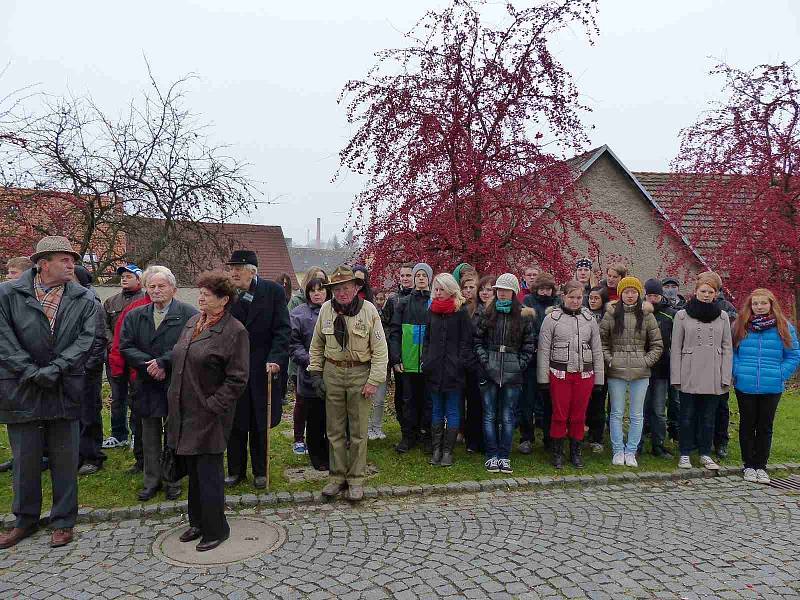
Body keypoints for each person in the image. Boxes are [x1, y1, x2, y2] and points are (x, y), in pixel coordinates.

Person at [0, 236, 97, 549]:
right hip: (21, 386)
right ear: (42, 263)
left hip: (64, 385)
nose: (71, 265)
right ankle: (24, 520)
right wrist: (29, 370)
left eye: (73, 260)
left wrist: (55, 369)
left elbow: (86, 340)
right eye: (64, 260)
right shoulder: (8, 293)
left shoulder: (83, 298)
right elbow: (3, 338)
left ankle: (63, 521)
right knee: (25, 459)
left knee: (64, 458)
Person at [167, 272, 249, 552]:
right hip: (184, 409)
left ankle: (217, 529)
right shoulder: (193, 322)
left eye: (207, 294)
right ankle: (198, 522)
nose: (200, 297)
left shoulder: (234, 330)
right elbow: (180, 356)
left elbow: (238, 378)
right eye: (200, 292)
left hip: (211, 413)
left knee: (209, 472)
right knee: (193, 469)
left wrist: (213, 405)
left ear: (224, 300)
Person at [308, 266, 388, 501]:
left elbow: (381, 351)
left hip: (359, 374)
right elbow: (316, 345)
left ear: (356, 288)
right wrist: (315, 374)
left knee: (358, 431)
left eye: (346, 287)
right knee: (334, 430)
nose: (342, 293)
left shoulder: (368, 311)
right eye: (337, 289)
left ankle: (355, 480)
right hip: (332, 372)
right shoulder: (326, 310)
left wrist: (374, 381)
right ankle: (336, 477)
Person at [121, 265, 197, 501]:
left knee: (174, 433)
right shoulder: (135, 315)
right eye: (151, 286)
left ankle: (173, 478)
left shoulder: (189, 314)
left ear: (173, 288)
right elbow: (125, 346)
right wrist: (150, 365)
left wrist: (164, 363)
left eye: (161, 286)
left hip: (176, 381)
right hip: (146, 383)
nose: (156, 291)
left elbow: (191, 345)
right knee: (149, 434)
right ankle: (151, 480)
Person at [225, 250, 290, 489]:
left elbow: (283, 330)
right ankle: (235, 470)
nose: (233, 273)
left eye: (238, 269)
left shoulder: (273, 292)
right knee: (235, 420)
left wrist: (276, 359)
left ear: (252, 271)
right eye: (231, 268)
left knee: (259, 421)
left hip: (263, 366)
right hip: (234, 366)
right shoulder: (227, 293)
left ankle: (260, 471)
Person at [732, 288, 800, 484]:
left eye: (763, 303)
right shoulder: (741, 325)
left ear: (771, 304)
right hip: (746, 384)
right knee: (747, 425)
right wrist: (737, 371)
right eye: (755, 303)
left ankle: (761, 466)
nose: (759, 307)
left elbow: (793, 354)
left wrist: (780, 374)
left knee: (765, 427)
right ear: (750, 305)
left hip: (772, 386)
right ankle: (748, 465)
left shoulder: (783, 326)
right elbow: (732, 352)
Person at [474, 273, 536, 475]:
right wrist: (485, 361)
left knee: (508, 416)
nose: (501, 293)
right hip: (489, 370)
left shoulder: (524, 316)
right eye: (499, 290)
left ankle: (504, 456)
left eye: (506, 290)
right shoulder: (487, 312)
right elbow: (477, 341)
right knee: (490, 414)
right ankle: (492, 455)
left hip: (513, 372)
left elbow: (529, 346)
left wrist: (518, 365)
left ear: (513, 293)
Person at [538, 280, 604, 468]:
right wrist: (543, 379)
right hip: (559, 373)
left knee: (578, 415)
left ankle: (576, 451)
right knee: (559, 414)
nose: (575, 301)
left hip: (584, 374)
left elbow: (597, 350)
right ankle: (557, 451)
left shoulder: (589, 319)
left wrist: (599, 378)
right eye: (571, 297)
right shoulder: (552, 319)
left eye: (578, 297)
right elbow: (543, 350)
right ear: (563, 297)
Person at [671, 271, 733, 471]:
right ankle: (685, 453)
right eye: (703, 291)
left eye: (711, 291)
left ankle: (706, 453)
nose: (706, 295)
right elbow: (676, 348)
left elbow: (727, 348)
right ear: (696, 291)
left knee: (708, 417)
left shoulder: (722, 316)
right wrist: (676, 376)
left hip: (713, 373)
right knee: (687, 415)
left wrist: (725, 376)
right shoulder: (682, 315)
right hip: (689, 371)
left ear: (715, 294)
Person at [600, 276, 663, 468]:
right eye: (626, 292)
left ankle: (631, 451)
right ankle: (618, 450)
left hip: (640, 371)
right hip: (616, 370)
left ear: (638, 294)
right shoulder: (611, 314)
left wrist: (645, 362)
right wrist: (610, 360)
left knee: (637, 414)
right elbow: (601, 341)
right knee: (616, 412)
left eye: (633, 292)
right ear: (620, 294)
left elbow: (657, 345)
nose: (630, 295)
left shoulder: (647, 315)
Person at [424, 273, 472, 467]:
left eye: (441, 289)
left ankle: (447, 451)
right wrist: (426, 360)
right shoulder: (432, 311)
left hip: (454, 370)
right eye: (435, 289)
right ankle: (436, 449)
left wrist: (459, 363)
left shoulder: (460, 311)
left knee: (452, 410)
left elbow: (466, 341)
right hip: (434, 369)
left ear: (450, 290)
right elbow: (427, 339)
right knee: (436, 409)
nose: (438, 293)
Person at [390, 262, 433, 453]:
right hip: (407, 363)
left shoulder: (434, 303)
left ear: (429, 278)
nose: (421, 278)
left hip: (428, 363)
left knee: (427, 401)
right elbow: (395, 332)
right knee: (407, 400)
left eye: (424, 275)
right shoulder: (404, 303)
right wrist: (396, 358)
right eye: (418, 275)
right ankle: (408, 436)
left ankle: (426, 436)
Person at [101, 264, 145, 450]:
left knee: (136, 398)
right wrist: (113, 345)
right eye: (122, 276)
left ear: (139, 279)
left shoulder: (146, 300)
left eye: (129, 276)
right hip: (115, 357)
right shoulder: (111, 302)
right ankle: (118, 434)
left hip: (136, 358)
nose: (124, 279)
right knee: (117, 397)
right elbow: (104, 326)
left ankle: (137, 434)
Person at [289, 277, 331, 470]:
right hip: (309, 373)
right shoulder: (298, 314)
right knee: (314, 417)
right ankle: (315, 455)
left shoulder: (335, 310)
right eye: (313, 290)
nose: (317, 293)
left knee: (331, 418)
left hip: (334, 373)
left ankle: (331, 453)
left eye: (321, 290)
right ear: (307, 293)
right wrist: (309, 361)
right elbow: (294, 343)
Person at [0, 257, 35, 475]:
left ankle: (35, 458)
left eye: (13, 273)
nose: (7, 277)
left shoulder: (29, 301)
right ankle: (19, 457)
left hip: (26, 369)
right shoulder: (5, 298)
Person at [74, 265, 109, 476]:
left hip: (87, 369)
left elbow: (99, 338)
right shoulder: (73, 300)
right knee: (75, 414)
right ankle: (77, 455)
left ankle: (93, 456)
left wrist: (89, 367)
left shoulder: (91, 302)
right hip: (73, 368)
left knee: (88, 414)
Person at [639, 278, 676, 458]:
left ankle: (658, 444)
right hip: (641, 367)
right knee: (640, 409)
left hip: (662, 369)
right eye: (650, 295)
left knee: (659, 410)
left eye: (656, 295)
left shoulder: (671, 314)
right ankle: (636, 444)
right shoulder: (639, 312)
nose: (653, 299)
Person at [522, 272, 558, 451]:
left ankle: (549, 438)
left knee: (548, 401)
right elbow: (526, 328)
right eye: (542, 289)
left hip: (551, 360)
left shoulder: (557, 304)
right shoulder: (528, 301)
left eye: (548, 289)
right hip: (531, 358)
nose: (544, 292)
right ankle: (526, 437)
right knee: (527, 401)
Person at [382, 262, 415, 433]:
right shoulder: (393, 299)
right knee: (401, 392)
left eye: (408, 275)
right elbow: (385, 323)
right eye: (402, 276)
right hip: (399, 353)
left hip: (416, 353)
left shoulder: (425, 298)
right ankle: (404, 425)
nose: (405, 279)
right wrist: (393, 345)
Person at [713, 288, 738, 460]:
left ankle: (721, 441)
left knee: (722, 406)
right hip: (702, 364)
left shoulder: (727, 308)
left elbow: (733, 337)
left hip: (722, 362)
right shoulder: (694, 306)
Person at [460, 270, 484, 454]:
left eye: (471, 287)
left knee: (476, 402)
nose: (468, 290)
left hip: (476, 362)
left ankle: (474, 438)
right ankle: (461, 431)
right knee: (460, 401)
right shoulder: (459, 308)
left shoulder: (482, 310)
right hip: (460, 362)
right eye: (465, 287)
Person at [585, 285, 609, 452]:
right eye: (591, 298)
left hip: (602, 365)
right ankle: (584, 431)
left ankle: (597, 436)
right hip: (585, 364)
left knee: (598, 403)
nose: (592, 301)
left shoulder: (608, 317)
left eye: (596, 298)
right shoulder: (583, 315)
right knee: (585, 401)